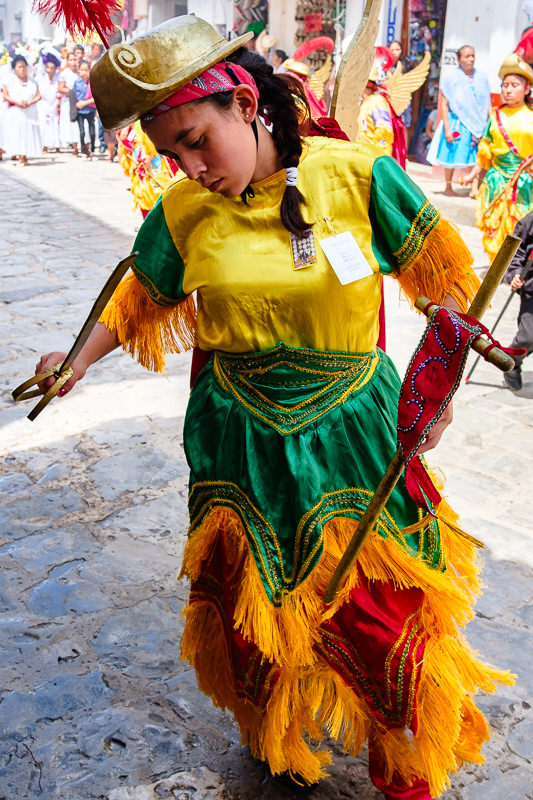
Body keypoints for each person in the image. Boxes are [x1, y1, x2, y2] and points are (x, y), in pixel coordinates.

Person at [35, 16, 513, 800]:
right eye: (172, 155)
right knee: (246, 608)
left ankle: (403, 756)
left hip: (351, 434)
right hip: (237, 440)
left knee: (376, 609)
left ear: (246, 103)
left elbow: (443, 285)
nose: (191, 169)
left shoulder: (358, 175)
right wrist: (74, 364)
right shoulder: (184, 211)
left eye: (198, 141)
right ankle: (277, 730)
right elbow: (140, 298)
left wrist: (443, 379)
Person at [463, 53, 533, 262]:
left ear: (527, 89)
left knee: (520, 227)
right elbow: (485, 152)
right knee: (494, 227)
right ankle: (497, 267)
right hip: (496, 180)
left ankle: (514, 267)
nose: (508, 90)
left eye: (514, 85)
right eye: (505, 85)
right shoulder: (495, 117)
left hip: (524, 183)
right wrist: (472, 175)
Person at [427, 45, 491, 196]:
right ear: (459, 60)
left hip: (478, 124)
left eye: (473, 56)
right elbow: (444, 105)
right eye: (467, 56)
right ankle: (448, 187)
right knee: (451, 154)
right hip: (457, 123)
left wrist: (492, 121)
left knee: (476, 156)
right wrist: (447, 129)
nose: (471, 59)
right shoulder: (452, 79)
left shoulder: (481, 77)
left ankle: (474, 188)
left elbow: (487, 102)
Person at [357, 47, 406, 167]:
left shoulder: (377, 101)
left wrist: (380, 162)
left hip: (373, 160)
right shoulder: (365, 102)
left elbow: (384, 132)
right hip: (363, 157)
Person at [502, 210, 533, 390]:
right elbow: (516, 252)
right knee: (528, 336)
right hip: (532, 289)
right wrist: (514, 274)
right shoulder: (529, 222)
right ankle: (512, 361)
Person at [2, 54, 41, 166]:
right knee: (17, 133)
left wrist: (29, 102)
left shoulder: (32, 82)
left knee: (28, 133)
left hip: (29, 111)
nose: (22, 69)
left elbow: (38, 95)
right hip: (16, 111)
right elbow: (5, 95)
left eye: (24, 66)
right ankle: (19, 157)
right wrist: (18, 102)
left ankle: (25, 156)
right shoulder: (10, 81)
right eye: (19, 67)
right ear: (14, 68)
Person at [37, 51, 61, 153]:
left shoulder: (58, 78)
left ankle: (57, 145)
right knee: (44, 125)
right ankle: (44, 145)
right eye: (48, 68)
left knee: (55, 124)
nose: (50, 70)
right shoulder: (41, 78)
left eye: (52, 68)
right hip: (43, 104)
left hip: (55, 104)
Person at [58, 51, 80, 156]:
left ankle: (86, 148)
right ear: (67, 61)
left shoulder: (81, 70)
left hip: (81, 101)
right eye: (71, 60)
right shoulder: (64, 73)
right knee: (72, 125)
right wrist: (73, 92)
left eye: (75, 59)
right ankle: (75, 149)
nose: (73, 62)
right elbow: (61, 88)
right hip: (68, 101)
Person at [73, 59, 96, 158]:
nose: (84, 72)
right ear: (79, 70)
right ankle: (83, 151)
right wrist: (77, 105)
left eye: (86, 70)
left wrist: (85, 103)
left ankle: (92, 150)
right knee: (82, 132)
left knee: (92, 131)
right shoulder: (77, 82)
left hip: (90, 109)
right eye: (82, 70)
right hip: (80, 111)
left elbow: (96, 96)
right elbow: (73, 95)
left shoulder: (92, 82)